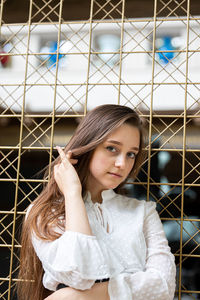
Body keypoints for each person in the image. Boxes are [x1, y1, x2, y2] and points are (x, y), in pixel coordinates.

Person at [17, 104, 176, 300]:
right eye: (112, 148)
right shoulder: (44, 213)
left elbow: (163, 285)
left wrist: (75, 296)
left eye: (131, 154)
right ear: (88, 146)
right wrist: (73, 195)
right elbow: (79, 274)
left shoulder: (143, 212)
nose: (122, 164)